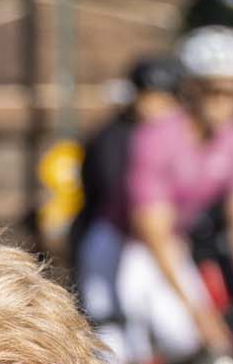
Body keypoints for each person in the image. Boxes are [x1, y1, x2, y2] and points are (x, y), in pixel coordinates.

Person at [73, 25, 233, 364]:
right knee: (120, 343)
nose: (225, 103)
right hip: (122, 239)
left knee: (185, 338)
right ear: (192, 89)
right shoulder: (156, 136)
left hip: (171, 240)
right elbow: (151, 229)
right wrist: (201, 314)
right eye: (214, 91)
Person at [74, 54, 183, 263]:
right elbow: (115, 187)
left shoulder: (176, 137)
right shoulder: (116, 136)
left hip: (162, 234)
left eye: (165, 99)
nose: (155, 107)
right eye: (149, 97)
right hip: (113, 233)